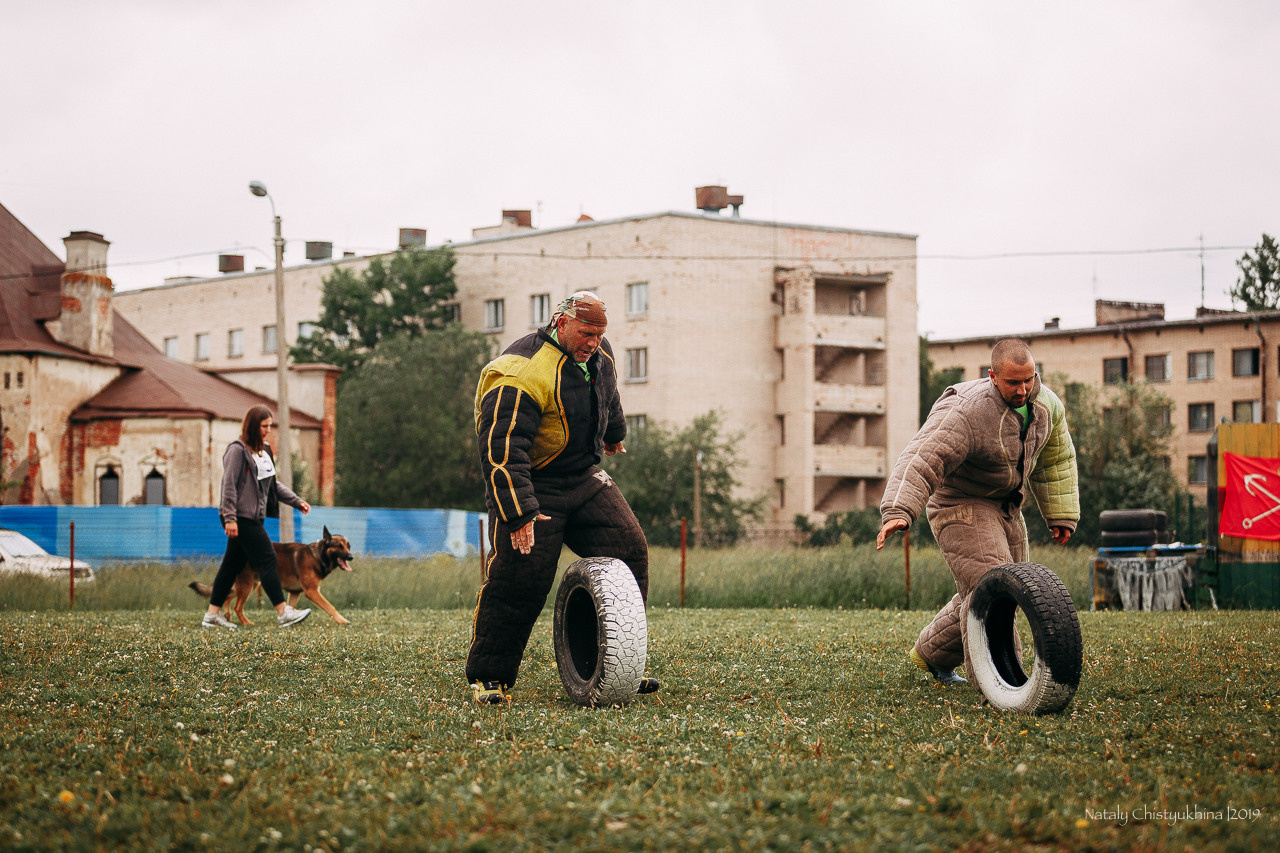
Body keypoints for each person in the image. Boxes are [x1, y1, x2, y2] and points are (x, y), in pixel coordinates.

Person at [466, 291, 659, 704]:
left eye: (599, 334)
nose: (593, 341)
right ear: (561, 323)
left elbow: (608, 392)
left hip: (584, 477)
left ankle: (617, 666)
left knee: (630, 550)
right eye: (586, 332)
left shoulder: (598, 354)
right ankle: (490, 678)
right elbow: (501, 451)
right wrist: (518, 515)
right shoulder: (520, 372)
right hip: (533, 484)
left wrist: (614, 434)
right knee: (522, 578)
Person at [876, 338, 1079, 685]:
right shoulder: (967, 410)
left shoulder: (1047, 407)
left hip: (1007, 508)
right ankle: (1004, 685)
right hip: (960, 506)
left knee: (994, 591)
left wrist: (1061, 513)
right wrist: (899, 508)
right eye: (1013, 382)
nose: (1023, 389)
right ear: (993, 377)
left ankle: (931, 654)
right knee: (997, 588)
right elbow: (923, 457)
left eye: (1029, 379)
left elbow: (1056, 459)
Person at [201, 405, 314, 630]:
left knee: (230, 566)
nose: (267, 431)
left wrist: (295, 500)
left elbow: (272, 484)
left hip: (254, 517)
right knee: (267, 559)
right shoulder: (237, 450)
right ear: (253, 426)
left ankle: (211, 616)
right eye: (264, 426)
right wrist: (230, 518)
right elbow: (229, 486)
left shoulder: (264, 450)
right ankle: (283, 612)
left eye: (269, 426)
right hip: (240, 517)